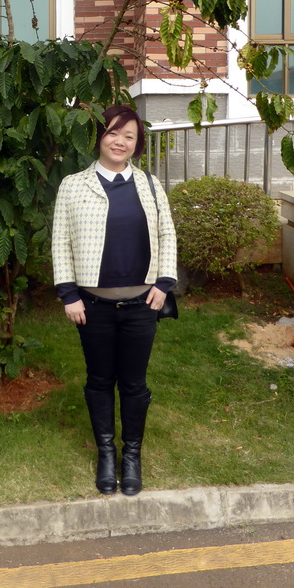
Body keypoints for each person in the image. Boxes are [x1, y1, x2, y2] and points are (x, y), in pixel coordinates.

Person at [51, 104, 177, 496]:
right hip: (93, 307)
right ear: (99, 136)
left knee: (135, 384)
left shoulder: (151, 185)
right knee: (100, 380)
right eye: (113, 132)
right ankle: (107, 453)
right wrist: (69, 294)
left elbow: (167, 236)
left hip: (143, 304)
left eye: (129, 136)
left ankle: (132, 456)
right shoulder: (73, 184)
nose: (120, 142)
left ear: (136, 144)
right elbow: (61, 243)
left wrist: (164, 283)